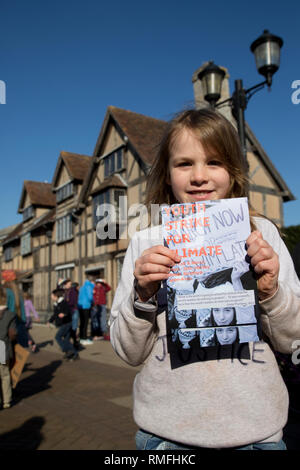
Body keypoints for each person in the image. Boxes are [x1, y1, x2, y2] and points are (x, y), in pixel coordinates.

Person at [110, 108, 300, 450]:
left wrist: (272, 293)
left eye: (214, 162)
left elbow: (293, 341)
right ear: (167, 174)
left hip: (258, 432)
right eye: (184, 164)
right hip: (167, 436)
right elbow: (128, 352)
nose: (199, 176)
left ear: (233, 172)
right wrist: (142, 297)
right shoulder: (145, 243)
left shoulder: (264, 235)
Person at [48, 288, 79, 361]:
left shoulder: (63, 302)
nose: (51, 296)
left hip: (67, 323)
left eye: (52, 295)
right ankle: (74, 354)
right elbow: (55, 314)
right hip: (63, 324)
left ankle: (66, 350)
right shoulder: (56, 304)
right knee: (66, 340)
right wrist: (50, 321)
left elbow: (68, 311)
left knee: (57, 337)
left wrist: (64, 314)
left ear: (56, 295)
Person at [0, 286, 17, 409]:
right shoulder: (10, 315)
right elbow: (12, 334)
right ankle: (6, 400)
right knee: (5, 375)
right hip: (2, 346)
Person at [2, 272, 28, 349]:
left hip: (7, 328)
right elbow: (23, 317)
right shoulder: (19, 293)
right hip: (19, 328)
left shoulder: (5, 292)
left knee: (5, 357)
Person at [62, 280, 80, 350]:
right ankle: (70, 344)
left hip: (73, 310)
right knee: (69, 328)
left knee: (73, 328)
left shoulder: (73, 291)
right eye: (69, 284)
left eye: (70, 284)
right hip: (68, 311)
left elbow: (72, 301)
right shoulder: (65, 291)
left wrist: (65, 304)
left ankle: (75, 344)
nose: (70, 285)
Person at [78, 276, 95, 345]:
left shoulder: (82, 286)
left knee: (82, 322)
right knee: (85, 322)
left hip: (80, 305)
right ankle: (84, 338)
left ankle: (81, 337)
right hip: (86, 306)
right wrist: (93, 302)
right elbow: (90, 297)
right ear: (92, 281)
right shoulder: (89, 286)